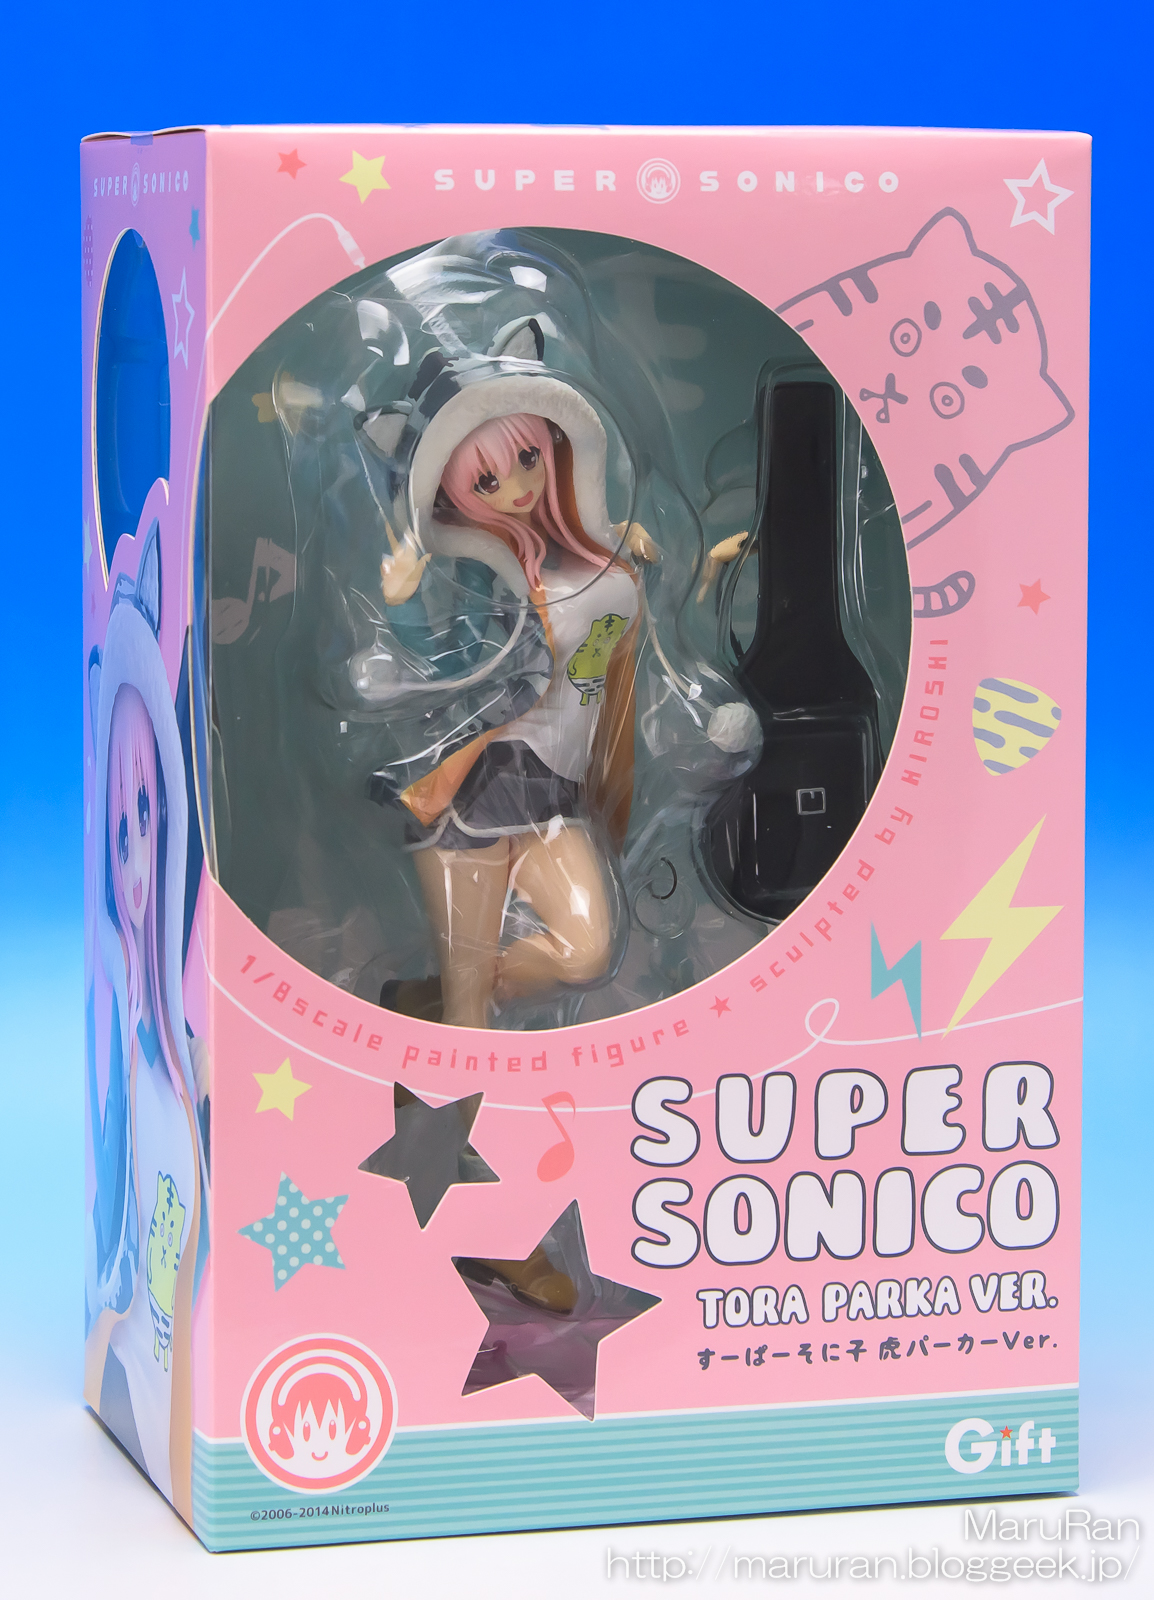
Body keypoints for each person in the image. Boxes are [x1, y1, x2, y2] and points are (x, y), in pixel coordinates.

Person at [85, 541, 208, 1520]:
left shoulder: (181, 1062)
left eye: (146, 815)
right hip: (138, 1366)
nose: (134, 855)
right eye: (120, 831)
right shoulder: (131, 1050)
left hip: (177, 1389)